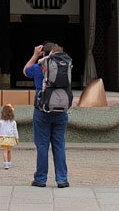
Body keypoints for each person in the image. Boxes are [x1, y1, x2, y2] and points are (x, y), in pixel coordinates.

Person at [23, 41, 70, 188]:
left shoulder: (39, 68)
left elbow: (25, 70)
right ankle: (62, 179)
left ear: (45, 54)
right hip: (61, 111)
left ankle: (41, 179)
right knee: (59, 145)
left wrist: (35, 55)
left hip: (42, 110)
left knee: (42, 145)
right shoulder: (65, 66)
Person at [0, 103, 19, 169]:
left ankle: (6, 164)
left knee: (5, 151)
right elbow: (15, 131)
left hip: (3, 138)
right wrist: (17, 138)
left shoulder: (1, 121)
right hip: (11, 138)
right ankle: (9, 163)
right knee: (9, 151)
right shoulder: (13, 122)